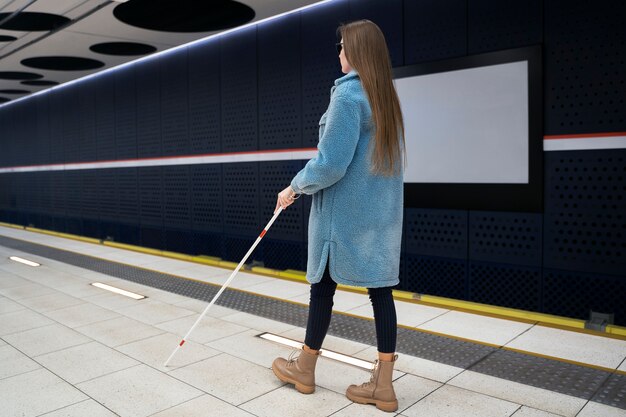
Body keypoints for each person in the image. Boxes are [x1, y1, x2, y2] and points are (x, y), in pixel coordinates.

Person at [272, 19, 405, 413]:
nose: (339, 53)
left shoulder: (347, 99)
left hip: (341, 219)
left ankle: (305, 370)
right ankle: (384, 387)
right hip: (379, 218)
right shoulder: (384, 98)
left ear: (358, 52)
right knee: (381, 292)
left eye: (344, 46)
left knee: (321, 288)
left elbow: (330, 165)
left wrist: (293, 187)